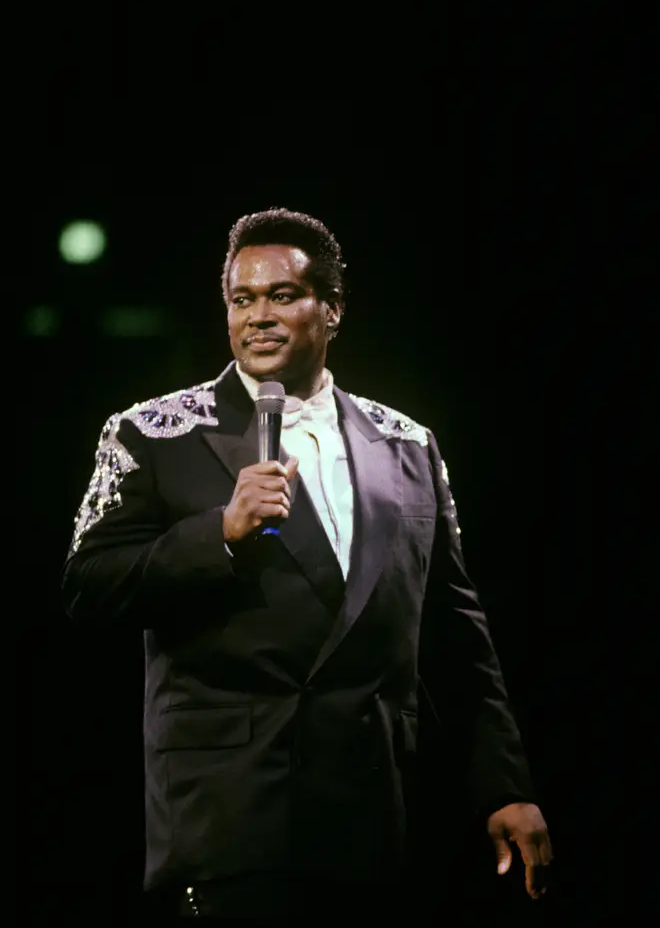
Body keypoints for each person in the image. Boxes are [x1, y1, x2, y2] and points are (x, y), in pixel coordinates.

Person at [62, 207, 553, 919]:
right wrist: (219, 534)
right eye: (242, 299)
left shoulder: (408, 447)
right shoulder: (153, 434)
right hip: (231, 818)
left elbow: (452, 632)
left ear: (332, 309)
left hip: (373, 822)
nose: (258, 316)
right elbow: (87, 585)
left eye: (283, 296)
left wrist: (504, 786)